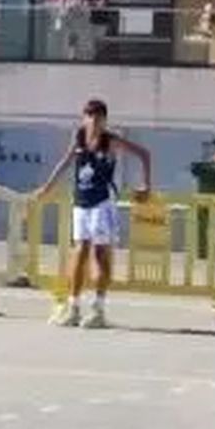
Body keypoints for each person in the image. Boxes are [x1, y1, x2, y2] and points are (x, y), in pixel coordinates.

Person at [35, 99, 152, 329]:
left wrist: (146, 185)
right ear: (83, 117)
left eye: (98, 117)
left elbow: (144, 154)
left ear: (104, 120)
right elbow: (66, 161)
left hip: (102, 202)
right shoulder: (79, 136)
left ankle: (98, 308)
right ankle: (74, 306)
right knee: (79, 252)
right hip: (81, 201)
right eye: (89, 116)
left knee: (99, 253)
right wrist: (48, 186)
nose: (94, 121)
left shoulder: (110, 140)